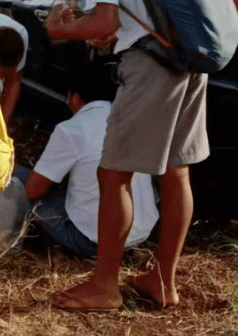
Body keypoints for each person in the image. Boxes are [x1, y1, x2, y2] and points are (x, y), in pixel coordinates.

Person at [44, 0, 209, 309]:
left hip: (151, 66)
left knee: (113, 173)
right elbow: (137, 12)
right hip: (188, 57)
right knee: (177, 172)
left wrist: (60, 30)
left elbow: (106, 19)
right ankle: (163, 281)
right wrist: (106, 32)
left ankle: (104, 286)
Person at [13, 63, 158, 258]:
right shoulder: (135, 123)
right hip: (143, 237)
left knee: (21, 178)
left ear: (75, 98)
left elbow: (33, 190)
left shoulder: (72, 129)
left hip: (92, 243)